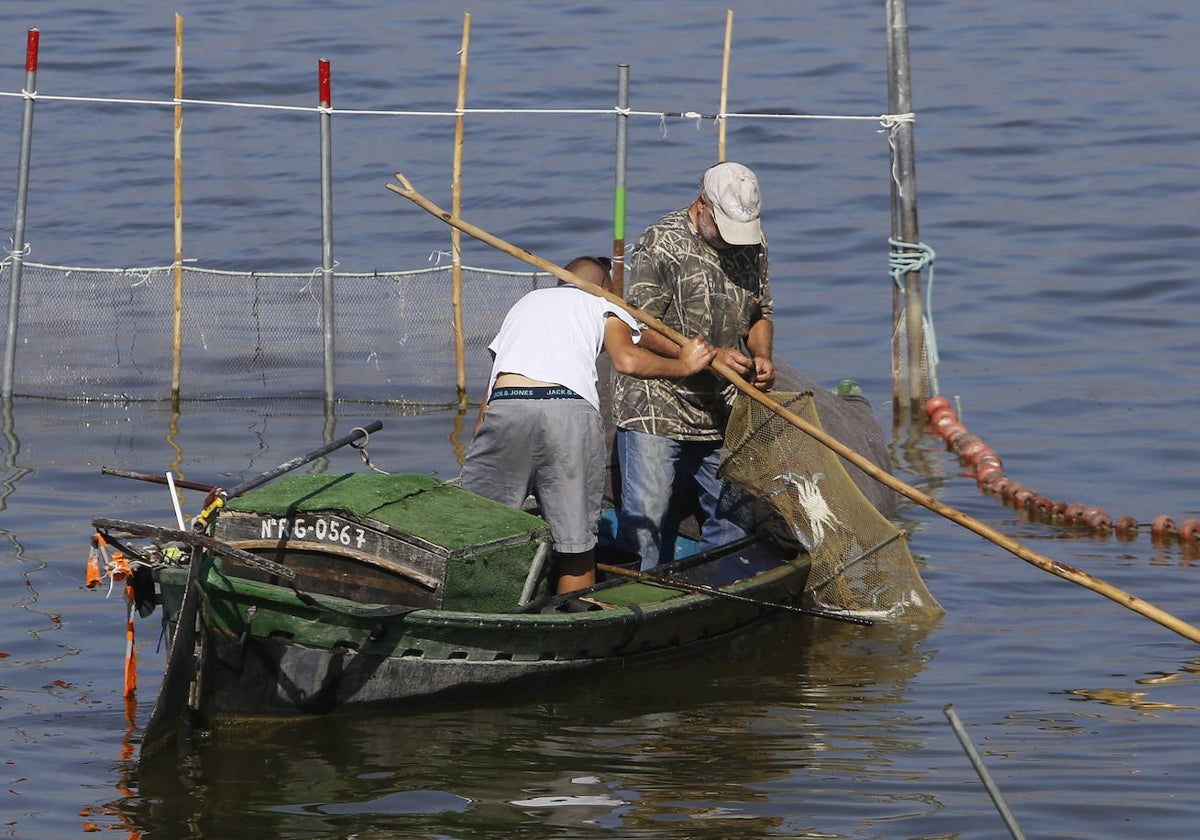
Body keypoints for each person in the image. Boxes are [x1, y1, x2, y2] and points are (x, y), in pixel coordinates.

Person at [459, 256, 715, 595]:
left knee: (478, 532)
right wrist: (685, 365)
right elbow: (626, 359)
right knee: (575, 546)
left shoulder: (525, 304)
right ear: (605, 286)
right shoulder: (604, 303)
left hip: (509, 405)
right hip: (568, 410)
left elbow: (488, 400)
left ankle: (475, 609)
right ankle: (571, 619)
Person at [612, 161, 775, 570]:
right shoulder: (661, 241)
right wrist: (710, 357)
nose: (730, 240)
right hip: (657, 404)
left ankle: (711, 584)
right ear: (702, 205)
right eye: (723, 229)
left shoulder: (755, 246)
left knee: (737, 511)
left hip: (720, 407)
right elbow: (641, 327)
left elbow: (760, 314)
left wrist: (762, 356)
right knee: (644, 520)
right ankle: (640, 597)